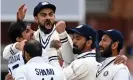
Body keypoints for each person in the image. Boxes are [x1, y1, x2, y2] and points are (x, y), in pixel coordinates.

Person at [3, 1, 73, 64]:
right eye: (43, 15)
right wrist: (19, 24)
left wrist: (63, 34)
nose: (48, 17)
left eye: (51, 14)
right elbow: (5, 54)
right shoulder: (34, 36)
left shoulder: (61, 35)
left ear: (54, 17)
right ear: (36, 19)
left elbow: (69, 59)